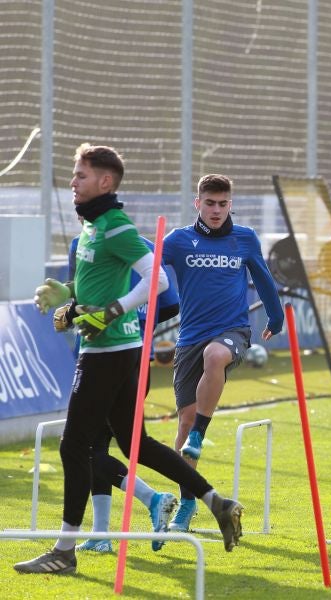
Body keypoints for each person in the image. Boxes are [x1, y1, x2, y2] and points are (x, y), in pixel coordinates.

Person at [17, 144, 243, 575]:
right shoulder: (92, 227)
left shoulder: (115, 226)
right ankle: (218, 502)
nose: (72, 181)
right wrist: (68, 298)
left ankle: (64, 551)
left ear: (105, 182)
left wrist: (112, 312)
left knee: (73, 446)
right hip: (116, 352)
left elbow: (156, 280)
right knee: (132, 441)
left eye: (80, 175)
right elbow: (94, 289)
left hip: (108, 353)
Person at [162, 173, 284, 533]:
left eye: (223, 203)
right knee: (182, 422)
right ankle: (186, 503)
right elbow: (149, 270)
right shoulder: (177, 241)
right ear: (197, 203)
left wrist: (275, 317)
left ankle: (201, 432)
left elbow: (262, 278)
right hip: (189, 338)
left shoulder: (244, 238)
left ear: (231, 204)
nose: (216, 210)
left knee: (215, 357)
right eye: (210, 203)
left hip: (233, 331)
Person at [56, 228, 183, 554]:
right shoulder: (135, 244)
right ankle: (100, 534)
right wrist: (140, 323)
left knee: (84, 449)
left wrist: (81, 315)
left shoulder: (86, 245)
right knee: (96, 447)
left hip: (106, 361)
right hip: (131, 358)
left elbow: (84, 301)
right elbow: (169, 303)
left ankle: (152, 499)